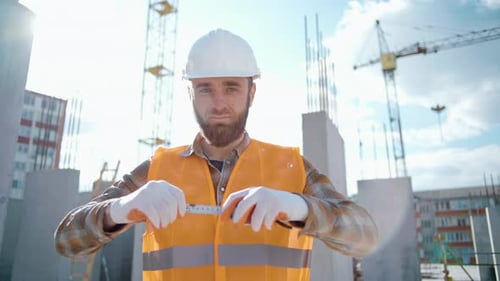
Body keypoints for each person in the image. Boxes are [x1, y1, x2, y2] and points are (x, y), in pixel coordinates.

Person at [55, 28, 378, 281]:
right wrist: (122, 208)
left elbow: (364, 237)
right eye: (205, 88)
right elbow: (68, 240)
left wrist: (297, 205)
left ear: (252, 92)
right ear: (190, 93)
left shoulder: (292, 167)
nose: (219, 103)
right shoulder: (156, 170)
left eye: (231, 87)